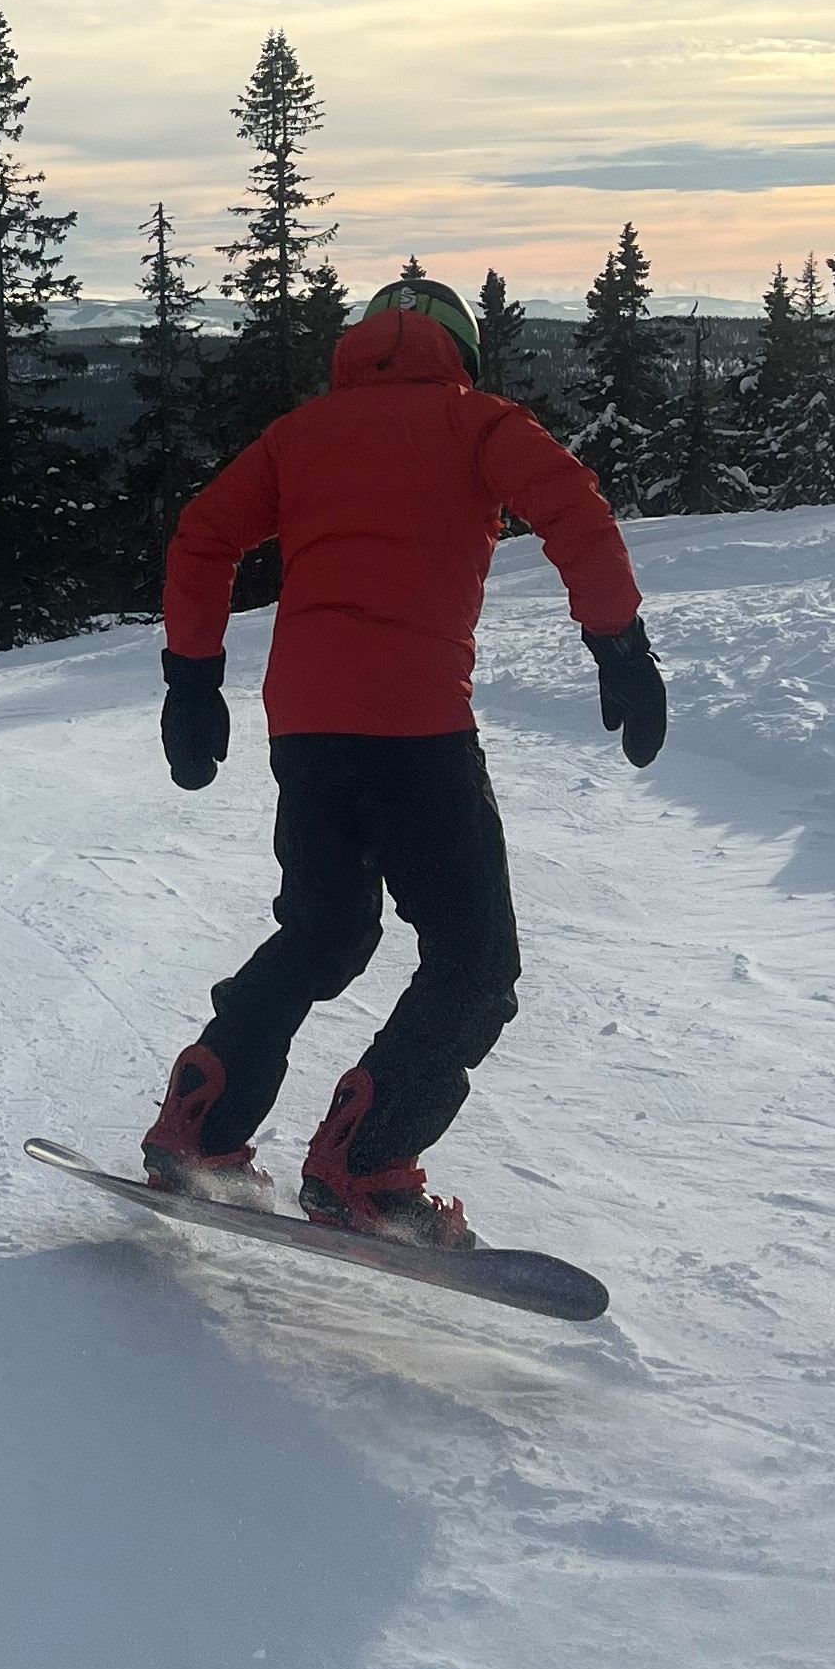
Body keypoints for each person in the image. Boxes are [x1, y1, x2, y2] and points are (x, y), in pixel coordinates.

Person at [144, 273, 667, 1248]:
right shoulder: (477, 422)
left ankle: (201, 1122)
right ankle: (366, 1164)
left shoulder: (301, 436)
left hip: (306, 729)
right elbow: (577, 514)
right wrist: (620, 648)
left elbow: (204, 534)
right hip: (418, 730)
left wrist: (192, 678)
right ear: (462, 351)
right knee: (475, 960)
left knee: (324, 934)